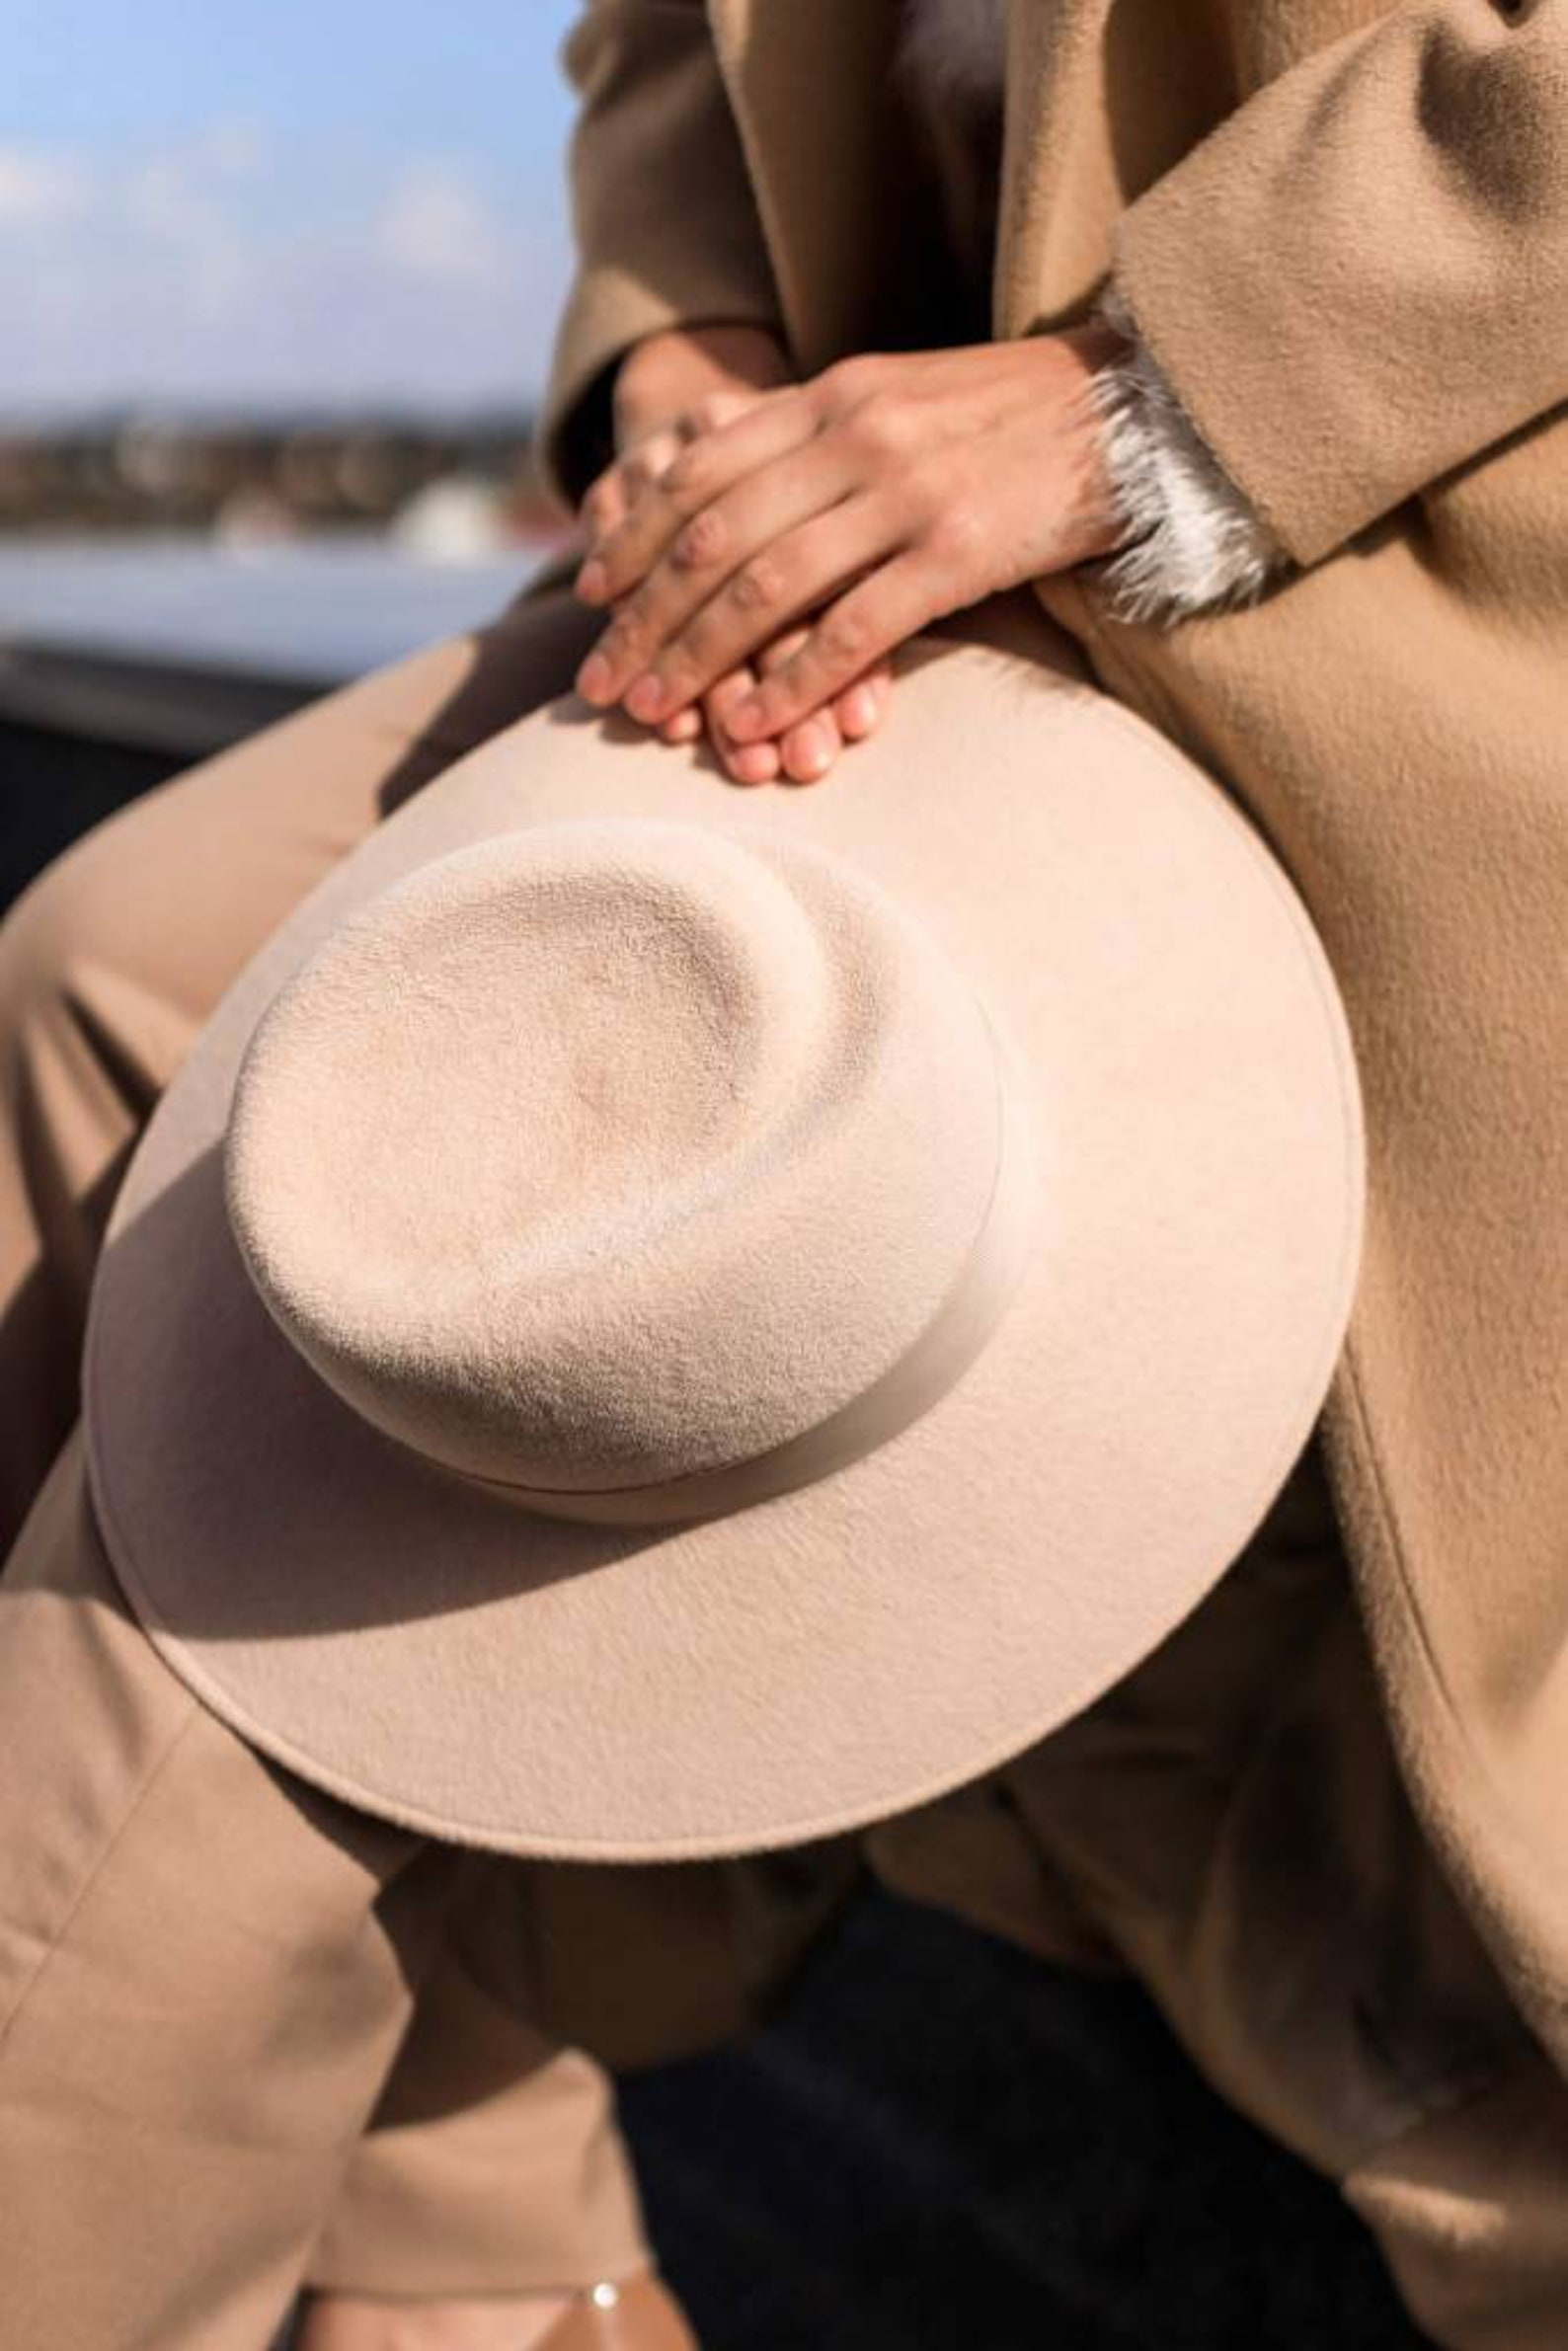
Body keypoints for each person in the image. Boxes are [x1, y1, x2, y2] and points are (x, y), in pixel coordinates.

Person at [1, 3, 1563, 2346]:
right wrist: (680, 367)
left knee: (264, 1508)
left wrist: (1168, 384)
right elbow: (663, 44)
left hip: (1385, 483)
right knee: (109, 976)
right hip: (874, 535)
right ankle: (484, 2254)